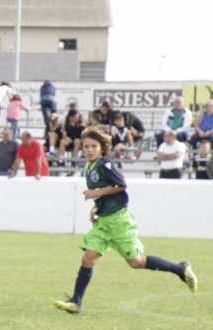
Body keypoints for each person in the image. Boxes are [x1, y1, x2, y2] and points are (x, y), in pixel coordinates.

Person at [54, 128, 197, 314]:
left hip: (119, 220)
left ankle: (180, 269)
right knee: (88, 258)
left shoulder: (105, 164)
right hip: (104, 222)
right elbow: (106, 192)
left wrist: (95, 193)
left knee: (135, 262)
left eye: (94, 146)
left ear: (102, 148)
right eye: (86, 146)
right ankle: (76, 302)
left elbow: (120, 185)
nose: (89, 149)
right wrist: (96, 207)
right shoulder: (89, 167)